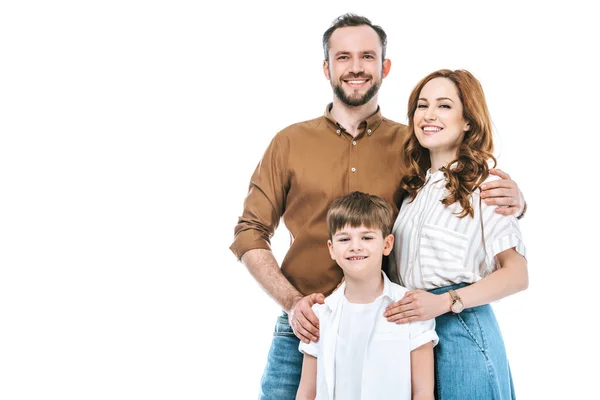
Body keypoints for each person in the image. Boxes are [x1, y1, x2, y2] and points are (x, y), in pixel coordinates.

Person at [230, 14, 525, 399]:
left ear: (384, 67)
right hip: (306, 324)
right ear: (326, 67)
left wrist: (515, 200)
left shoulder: (414, 145)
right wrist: (293, 303)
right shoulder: (289, 143)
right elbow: (249, 233)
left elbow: (457, 183)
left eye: (367, 56)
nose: (356, 67)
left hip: (390, 327)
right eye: (343, 57)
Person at [385, 69, 528, 399]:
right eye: (422, 105)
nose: (430, 114)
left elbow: (517, 274)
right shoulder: (411, 193)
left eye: (444, 106)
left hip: (462, 329)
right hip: (413, 331)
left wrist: (446, 302)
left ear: (468, 121)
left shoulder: (487, 186)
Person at [295, 191, 438, 400]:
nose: (355, 246)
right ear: (331, 249)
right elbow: (307, 392)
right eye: (344, 239)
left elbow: (423, 393)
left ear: (387, 244)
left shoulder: (411, 307)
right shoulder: (321, 314)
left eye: (367, 237)